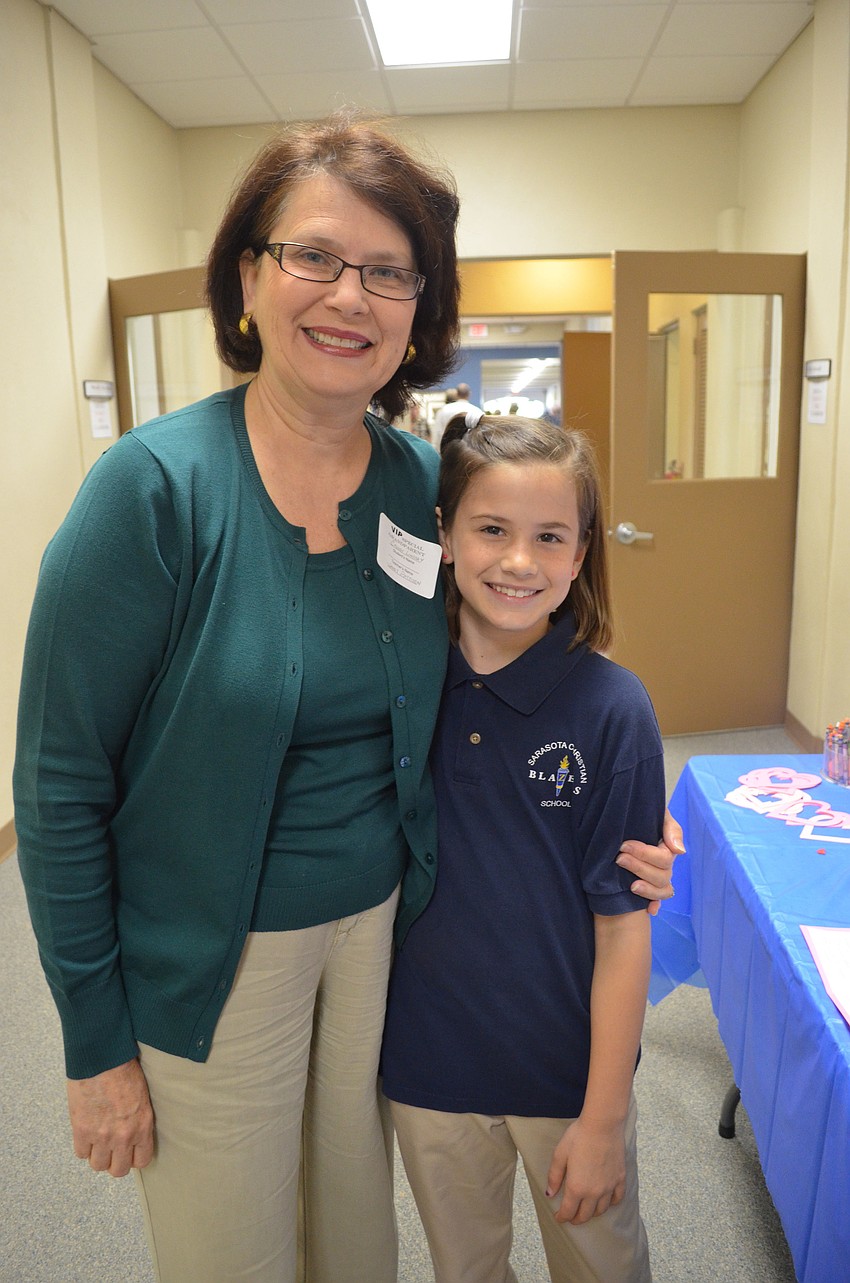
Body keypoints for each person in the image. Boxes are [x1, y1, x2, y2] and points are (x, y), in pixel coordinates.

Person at [13, 113, 679, 1283]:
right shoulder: (152, 491)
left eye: (388, 270)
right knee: (239, 1256)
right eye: (314, 255)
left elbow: (485, 680)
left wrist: (618, 819)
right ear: (249, 278)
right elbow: (59, 782)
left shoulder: (421, 482)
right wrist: (93, 1042)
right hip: (215, 961)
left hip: (381, 944)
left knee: (357, 1245)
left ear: (419, 308)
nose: (349, 296)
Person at [381, 411, 665, 1283]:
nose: (517, 561)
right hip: (428, 1068)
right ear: (444, 533)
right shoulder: (397, 679)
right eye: (491, 529)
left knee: (602, 1265)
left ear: (580, 555)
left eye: (550, 537)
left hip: (564, 1074)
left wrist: (605, 1118)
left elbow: (623, 929)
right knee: (465, 1268)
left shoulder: (614, 710)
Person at [430, 381, 480, 452]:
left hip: (446, 453)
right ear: (469, 394)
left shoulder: (443, 410)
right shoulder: (476, 411)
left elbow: (438, 433)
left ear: (456, 394)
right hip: (469, 456)